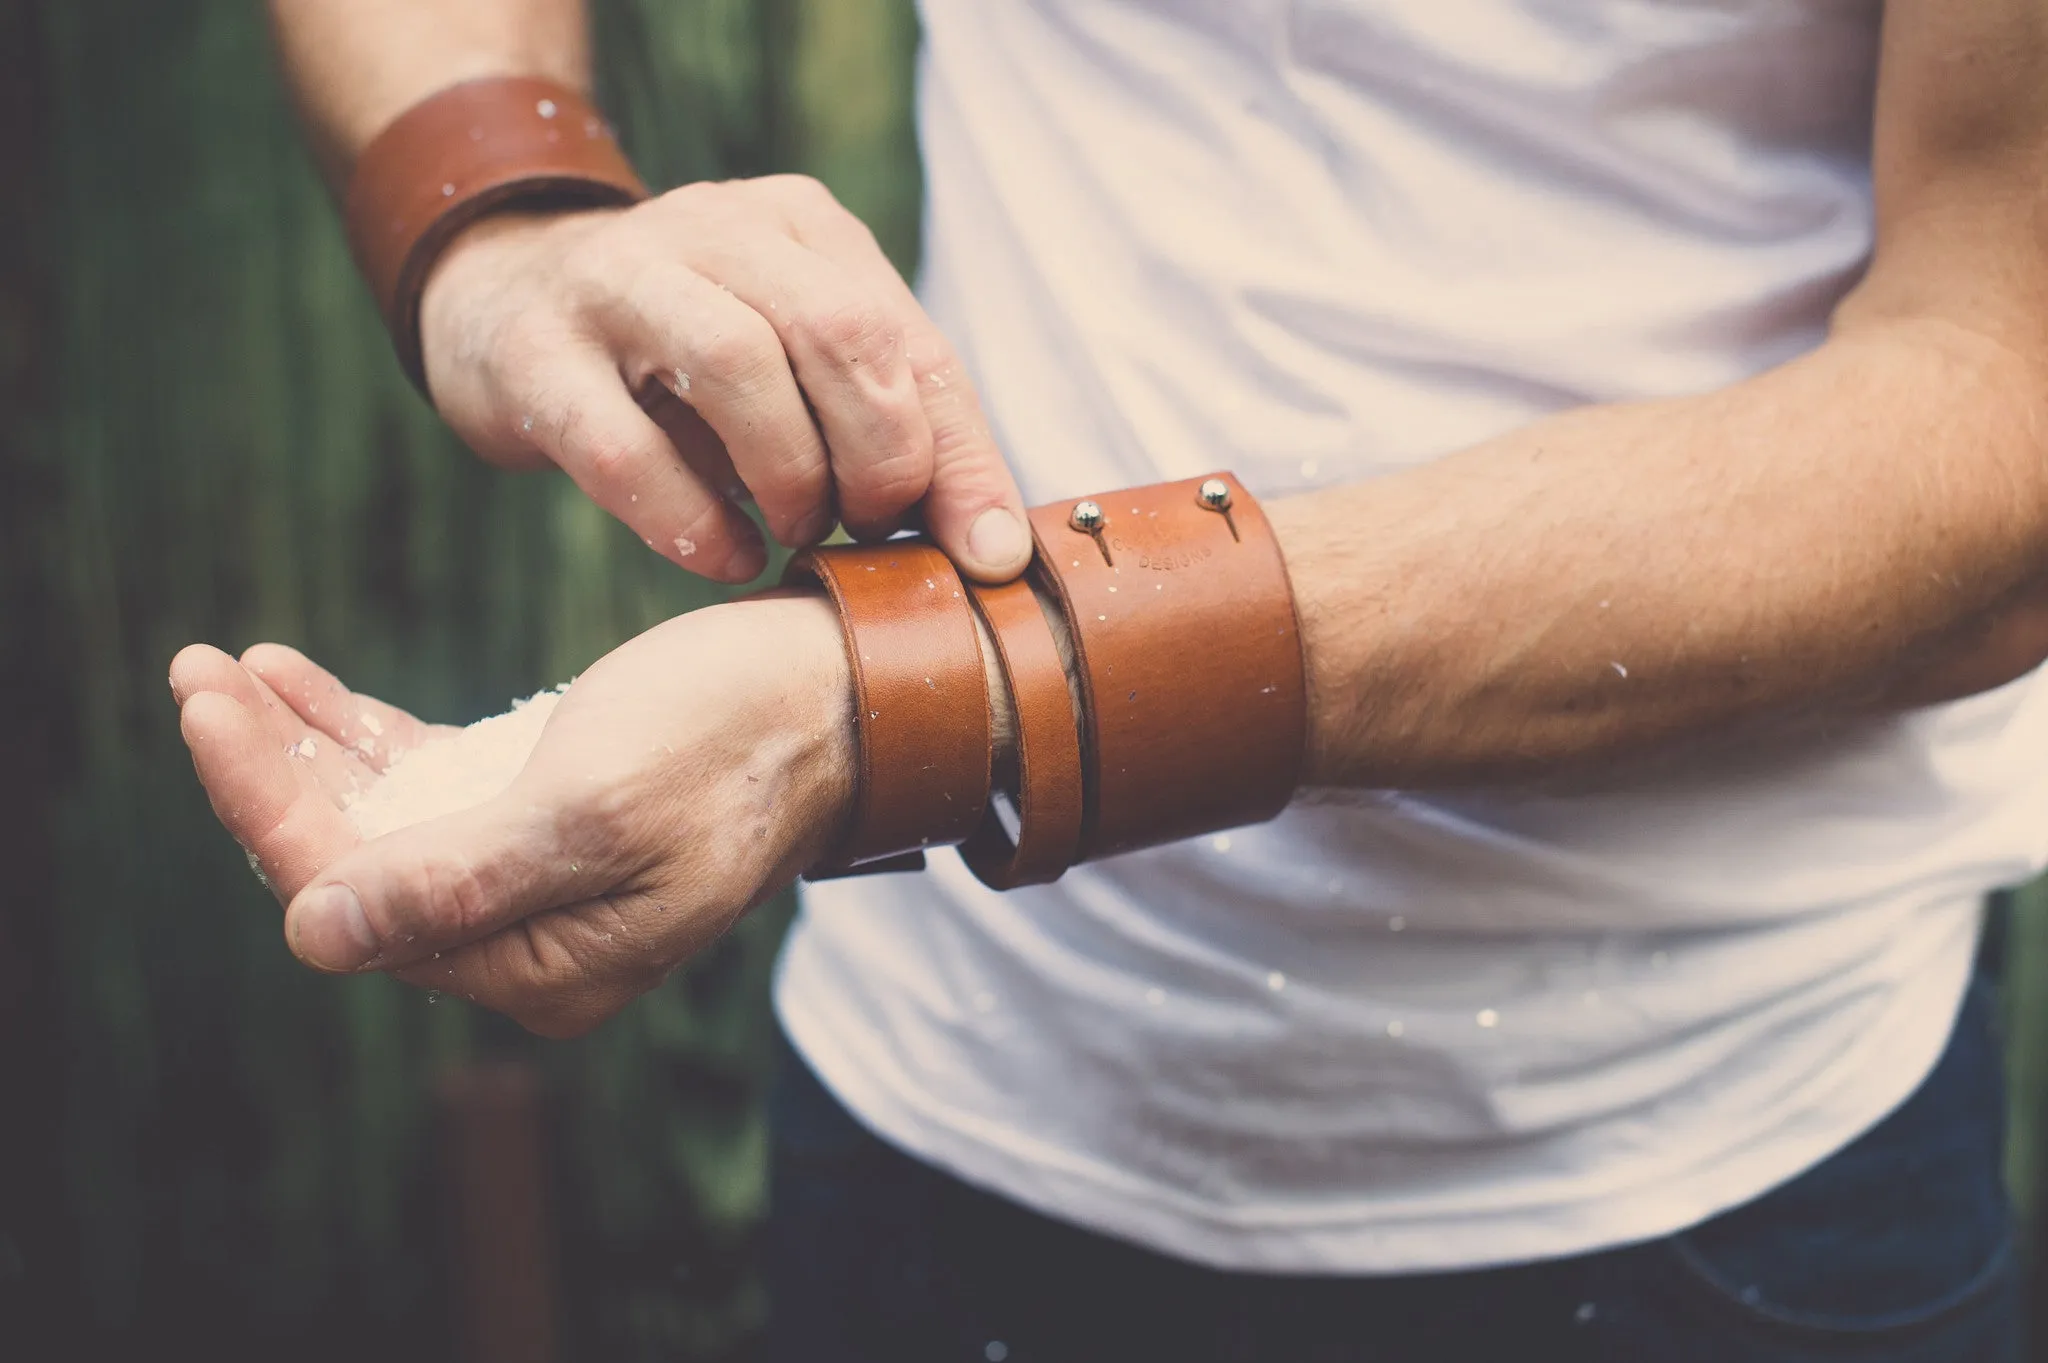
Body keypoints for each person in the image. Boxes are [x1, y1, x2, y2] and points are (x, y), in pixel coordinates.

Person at [168, 0, 2048, 1356]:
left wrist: (921, 699)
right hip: (941, 1112)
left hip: (1714, 1177)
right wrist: (504, 220)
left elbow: (2004, 400)